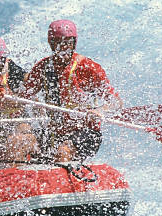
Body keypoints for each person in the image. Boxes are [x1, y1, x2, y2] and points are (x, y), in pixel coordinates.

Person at [22, 20, 123, 163]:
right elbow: (23, 96)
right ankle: (9, 180)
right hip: (54, 132)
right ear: (51, 44)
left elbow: (115, 102)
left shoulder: (88, 67)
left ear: (74, 43)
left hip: (86, 133)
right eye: (58, 42)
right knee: (20, 141)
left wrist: (100, 111)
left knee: (63, 151)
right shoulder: (42, 67)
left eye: (68, 42)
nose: (63, 47)